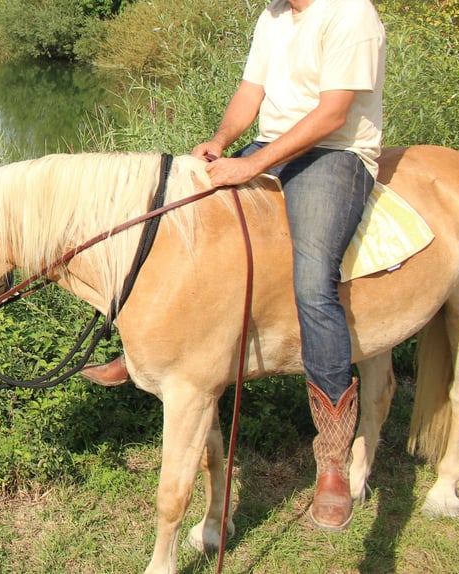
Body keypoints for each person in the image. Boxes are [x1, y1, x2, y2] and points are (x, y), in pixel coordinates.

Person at [82, 0, 385, 531]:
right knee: (184, 226)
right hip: (275, 146)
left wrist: (252, 163)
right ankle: (157, 351)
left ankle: (333, 459)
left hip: (334, 155)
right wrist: (222, 144)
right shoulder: (272, 17)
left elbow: (334, 113)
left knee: (314, 281)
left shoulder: (350, 12)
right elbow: (251, 93)